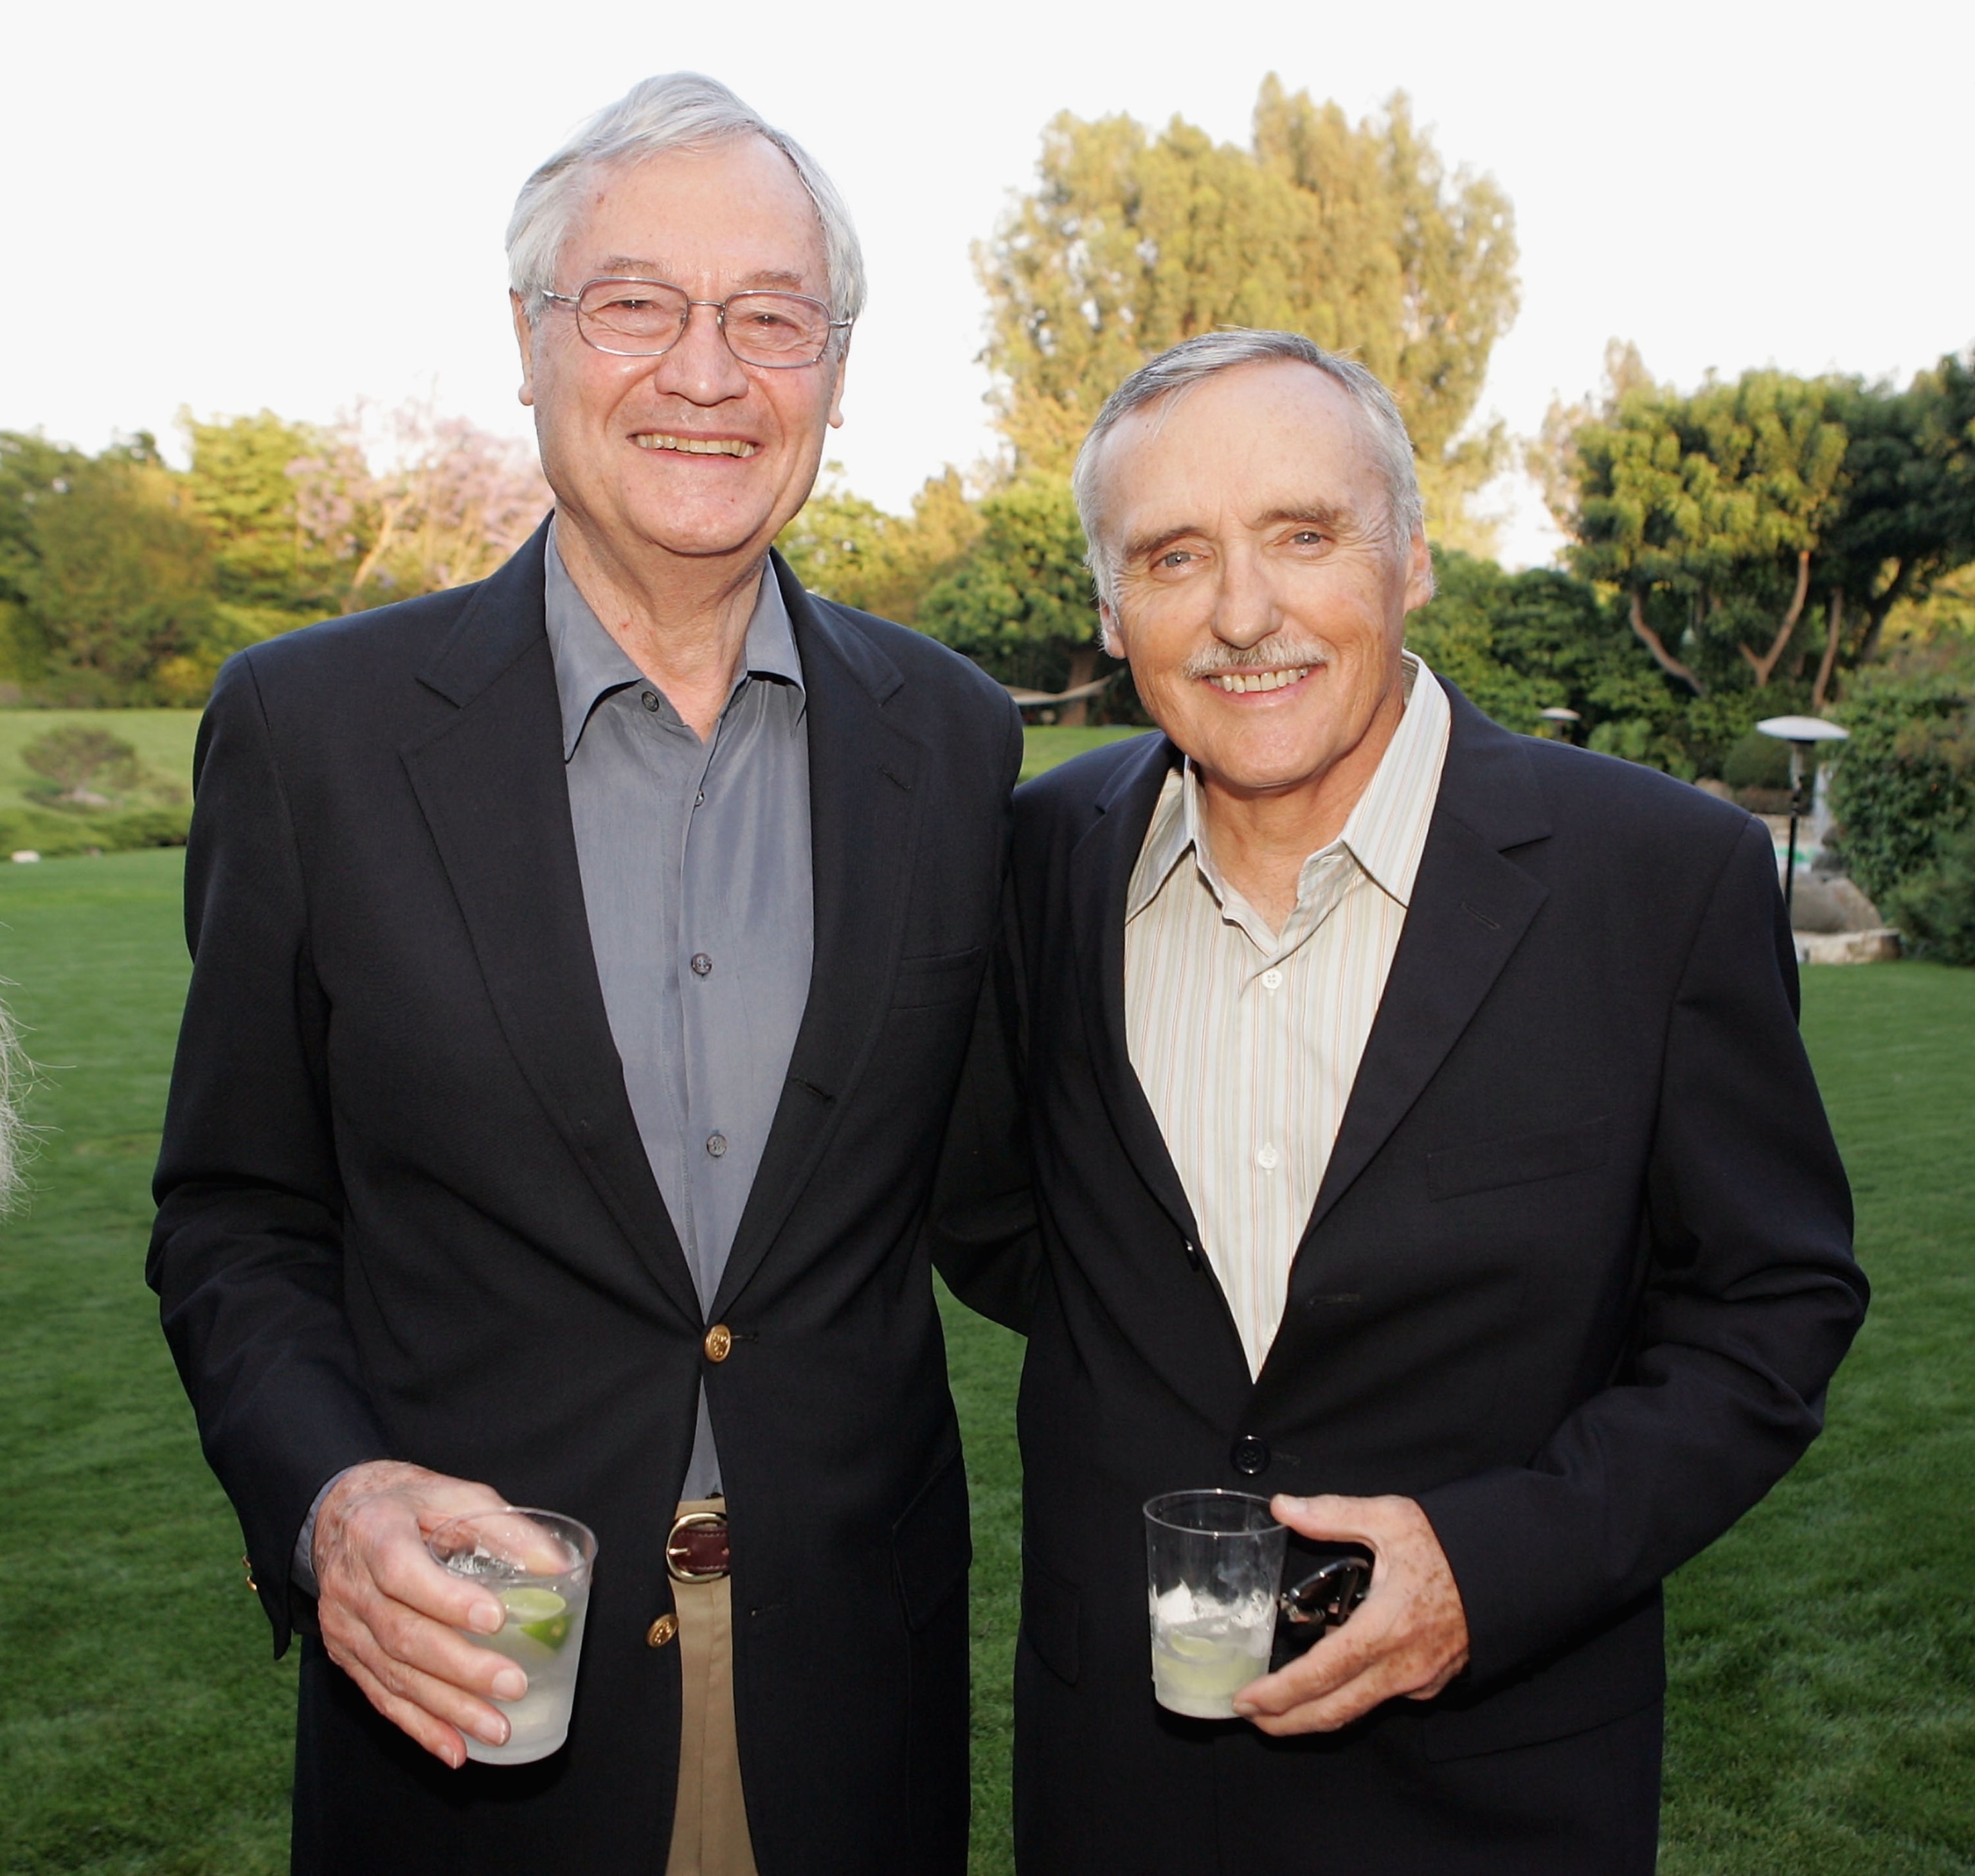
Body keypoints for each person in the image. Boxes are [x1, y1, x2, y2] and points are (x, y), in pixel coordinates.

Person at [150, 73, 1019, 1876]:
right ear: (533, 342)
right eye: (636, 303)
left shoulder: (949, 737)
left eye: (771, 316)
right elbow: (237, 1213)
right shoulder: (310, 733)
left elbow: (1015, 1200)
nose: (706, 372)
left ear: (835, 372)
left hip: (850, 1702)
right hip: (474, 1701)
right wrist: (325, 1494)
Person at [932, 330, 1867, 1874]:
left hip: (1493, 1793)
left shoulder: (1655, 878)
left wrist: (1493, 1566)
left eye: (1304, 534)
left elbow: (1771, 1307)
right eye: (1175, 555)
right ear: (1111, 611)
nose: (1245, 613)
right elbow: (995, 1216)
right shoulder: (1037, 858)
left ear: (1413, 555)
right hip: (1123, 1784)